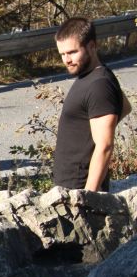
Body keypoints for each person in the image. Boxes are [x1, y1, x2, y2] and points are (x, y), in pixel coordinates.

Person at [53, 17, 131, 191]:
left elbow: (105, 146)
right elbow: (125, 107)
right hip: (69, 185)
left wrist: (88, 197)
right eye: (62, 54)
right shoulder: (91, 75)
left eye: (72, 52)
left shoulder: (99, 84)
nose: (67, 60)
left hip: (80, 188)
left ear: (91, 46)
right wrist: (93, 130)